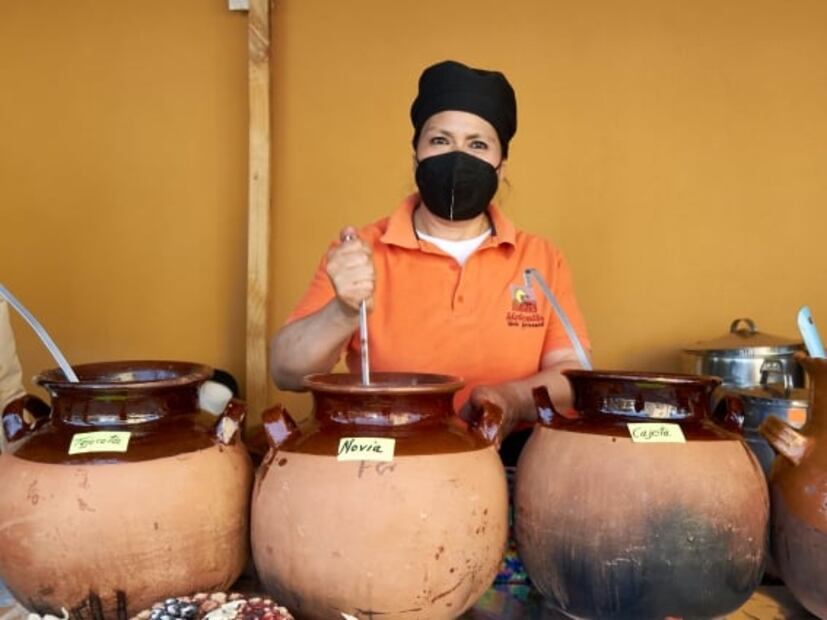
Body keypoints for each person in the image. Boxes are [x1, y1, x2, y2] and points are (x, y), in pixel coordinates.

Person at [270, 59, 590, 441]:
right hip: (390, 457)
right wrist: (342, 310)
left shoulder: (539, 259)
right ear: (416, 155)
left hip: (511, 456)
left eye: (478, 144)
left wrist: (510, 399)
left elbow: (571, 374)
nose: (459, 157)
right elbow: (286, 372)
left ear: (501, 166)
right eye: (440, 140)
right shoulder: (361, 250)